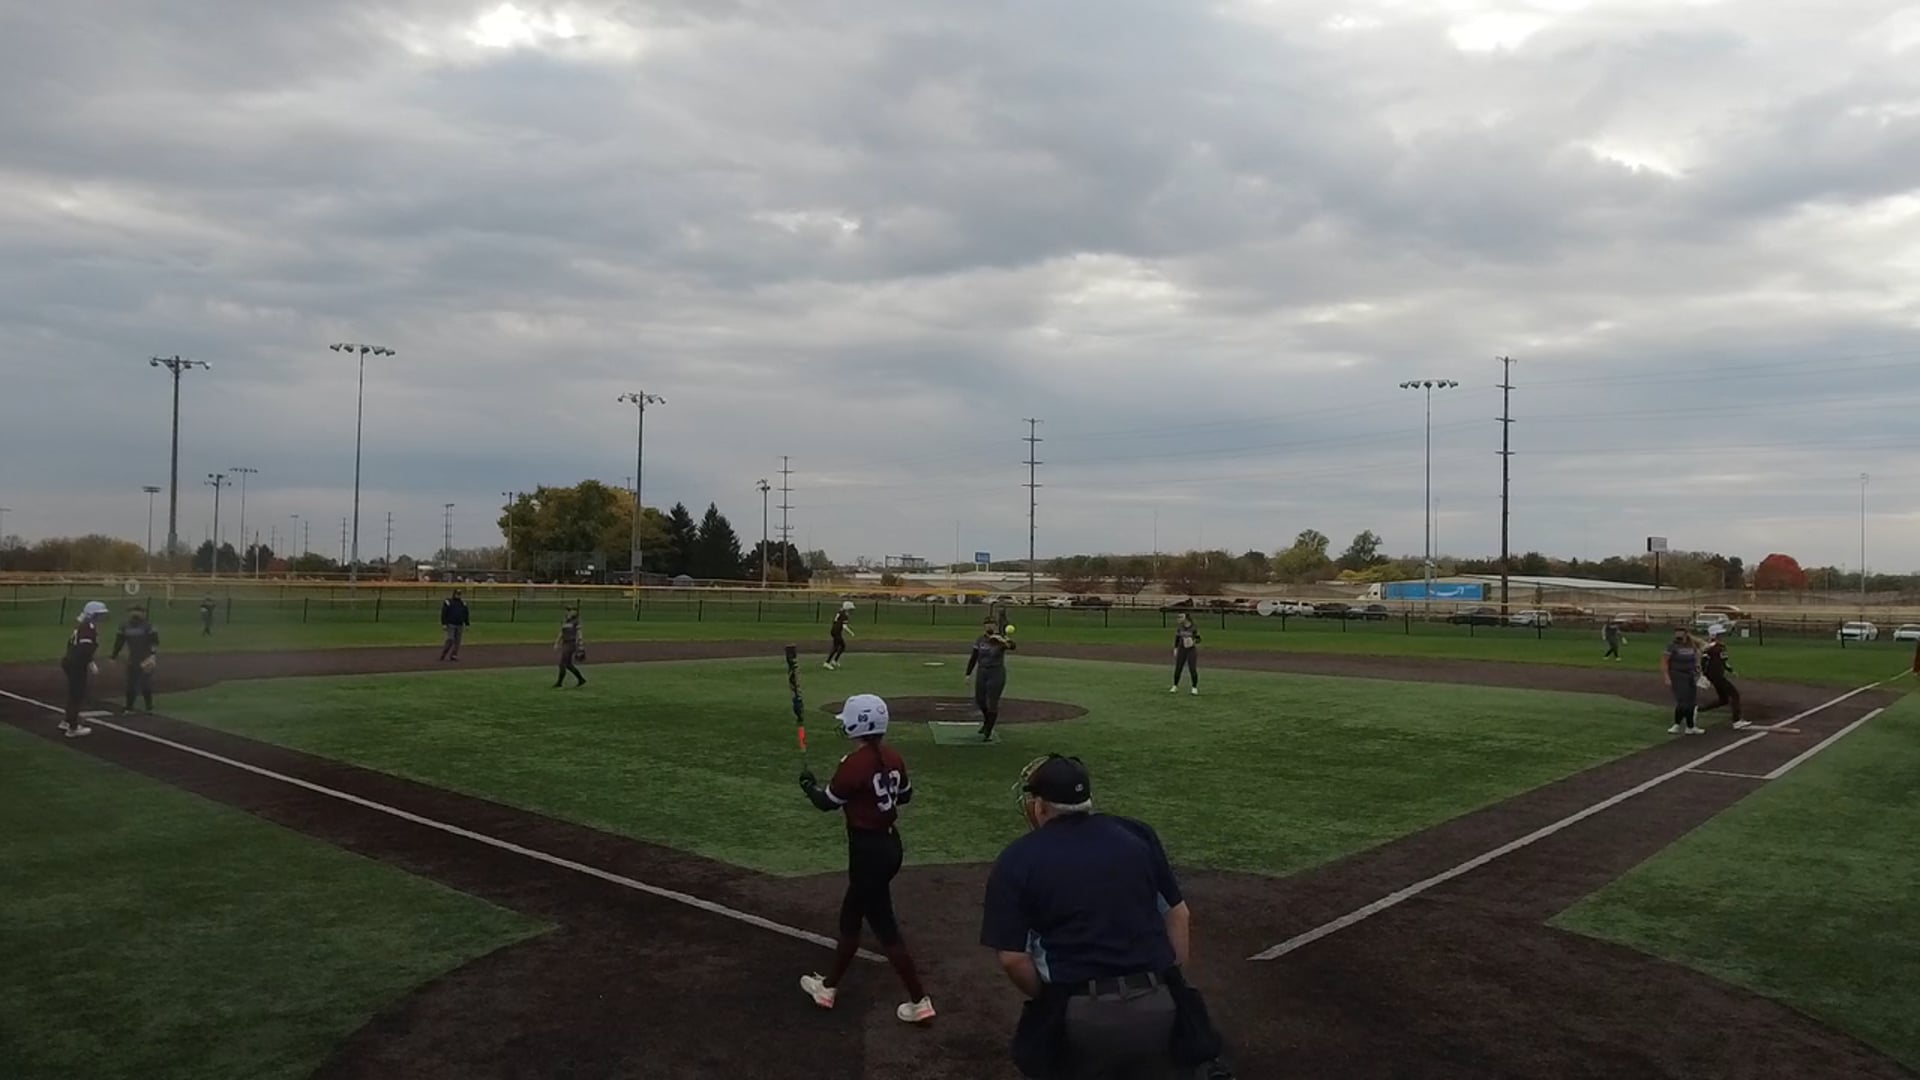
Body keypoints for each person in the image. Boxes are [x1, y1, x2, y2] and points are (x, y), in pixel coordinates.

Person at [981, 755, 1229, 1079]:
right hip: (1158, 1005)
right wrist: (1170, 982)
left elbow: (1013, 959)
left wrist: (1051, 1000)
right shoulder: (1137, 834)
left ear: (1040, 806)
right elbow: (1178, 915)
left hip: (1083, 1018)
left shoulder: (1018, 858)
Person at [797, 693, 935, 1024]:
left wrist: (808, 787)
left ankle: (920, 1001)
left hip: (867, 853)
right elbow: (905, 796)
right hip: (890, 846)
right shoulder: (893, 756)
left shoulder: (853, 764)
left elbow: (828, 802)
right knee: (851, 916)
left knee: (882, 926)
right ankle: (828, 987)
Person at [58, 601, 109, 737]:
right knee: (77, 694)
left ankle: (68, 721)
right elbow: (84, 648)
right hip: (77, 664)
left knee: (74, 693)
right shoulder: (88, 627)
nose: (102, 617)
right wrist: (90, 662)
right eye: (99, 614)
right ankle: (73, 727)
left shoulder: (83, 626)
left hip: (72, 662)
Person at [966, 617, 1018, 742]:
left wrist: (1002, 641)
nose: (989, 626)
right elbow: (974, 657)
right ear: (984, 626)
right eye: (987, 624)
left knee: (992, 702)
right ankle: (987, 721)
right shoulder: (980, 640)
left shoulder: (1000, 639)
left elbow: (1012, 646)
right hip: (982, 672)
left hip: (996, 673)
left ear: (995, 626)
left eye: (992, 624)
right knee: (980, 700)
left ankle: (988, 730)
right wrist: (968, 673)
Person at [110, 605, 160, 713]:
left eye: (138, 611)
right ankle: (129, 707)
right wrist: (113, 656)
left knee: (145, 684)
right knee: (130, 685)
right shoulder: (124, 626)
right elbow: (119, 642)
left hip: (146, 658)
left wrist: (152, 656)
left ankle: (149, 706)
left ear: (143, 613)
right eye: (133, 611)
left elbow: (154, 642)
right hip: (132, 659)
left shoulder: (148, 626)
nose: (135, 614)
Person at [1699, 626, 1747, 729]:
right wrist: (1704, 674)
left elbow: (1723, 661)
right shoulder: (1712, 647)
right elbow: (1704, 662)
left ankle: (1698, 709)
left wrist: (1731, 670)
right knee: (1734, 695)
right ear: (1714, 635)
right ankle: (1736, 721)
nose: (1722, 636)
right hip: (1716, 675)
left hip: (1716, 675)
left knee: (1723, 700)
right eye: (1719, 634)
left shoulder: (1714, 646)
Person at [1660, 627, 1704, 736]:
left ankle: (1690, 726)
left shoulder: (1692, 645)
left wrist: (1698, 669)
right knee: (1683, 701)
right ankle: (1677, 724)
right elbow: (1665, 661)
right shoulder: (1672, 646)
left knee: (1691, 702)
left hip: (1691, 675)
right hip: (1678, 675)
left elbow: (1700, 652)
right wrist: (1667, 677)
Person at [553, 606, 586, 688]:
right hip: (565, 643)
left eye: (570, 610)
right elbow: (561, 633)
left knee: (562, 663)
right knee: (568, 664)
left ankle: (559, 683)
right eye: (568, 610)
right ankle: (581, 679)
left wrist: (580, 644)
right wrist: (557, 642)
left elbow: (579, 633)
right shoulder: (564, 621)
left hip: (571, 643)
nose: (568, 612)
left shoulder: (576, 621)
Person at [1170, 614, 1200, 695]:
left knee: (1192, 668)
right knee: (1178, 668)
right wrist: (1175, 648)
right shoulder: (1180, 627)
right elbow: (1177, 638)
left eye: (1181, 617)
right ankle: (1175, 686)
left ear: (1186, 618)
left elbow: (1198, 639)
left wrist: (1193, 642)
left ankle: (1194, 688)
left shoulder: (1193, 627)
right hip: (1181, 649)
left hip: (1191, 650)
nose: (1179, 618)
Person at [439, 589, 471, 661]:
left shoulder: (463, 603)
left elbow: (466, 614)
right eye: (457, 594)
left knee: (457, 641)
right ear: (454, 594)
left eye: (459, 594)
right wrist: (444, 623)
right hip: (451, 624)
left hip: (459, 624)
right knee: (450, 639)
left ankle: (454, 655)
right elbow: (444, 613)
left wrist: (467, 624)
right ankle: (444, 653)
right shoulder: (448, 602)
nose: (458, 595)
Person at [825, 600, 855, 670]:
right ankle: (827, 662)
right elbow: (844, 626)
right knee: (836, 647)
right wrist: (851, 632)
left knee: (842, 646)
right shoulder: (844, 615)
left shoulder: (840, 612)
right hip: (836, 632)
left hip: (834, 630)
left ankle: (834, 661)